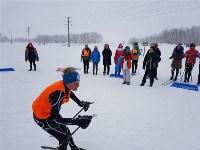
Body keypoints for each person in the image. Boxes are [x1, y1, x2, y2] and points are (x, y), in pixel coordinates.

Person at [32, 67, 92, 150]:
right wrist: (77, 121)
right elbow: (55, 119)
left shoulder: (65, 85)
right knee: (63, 137)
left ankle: (73, 147)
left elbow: (70, 93)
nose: (78, 85)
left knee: (65, 130)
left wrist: (79, 103)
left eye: (78, 82)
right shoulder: (58, 93)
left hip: (49, 112)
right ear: (68, 82)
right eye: (75, 83)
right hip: (42, 116)